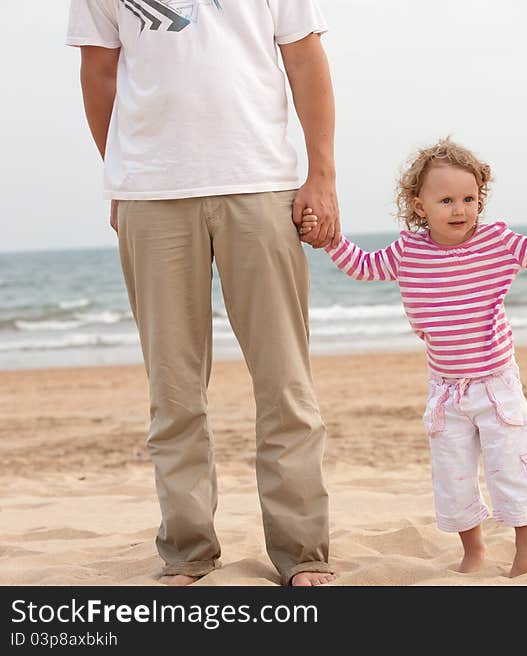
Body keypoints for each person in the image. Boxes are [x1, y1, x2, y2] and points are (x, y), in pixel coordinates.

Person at [68, 0, 341, 586]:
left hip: (261, 184)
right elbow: (98, 71)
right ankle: (188, 553)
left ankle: (303, 554)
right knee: (174, 392)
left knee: (285, 384)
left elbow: (304, 57)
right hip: (153, 195)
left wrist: (322, 175)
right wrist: (121, 174)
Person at [301, 138, 527, 576]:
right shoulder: (408, 251)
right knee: (453, 477)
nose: (460, 209)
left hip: (496, 384)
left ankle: (526, 549)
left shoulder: (497, 241)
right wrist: (330, 239)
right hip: (445, 392)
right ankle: (474, 551)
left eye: (469, 199)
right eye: (446, 200)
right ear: (420, 207)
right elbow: (362, 266)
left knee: (511, 467)